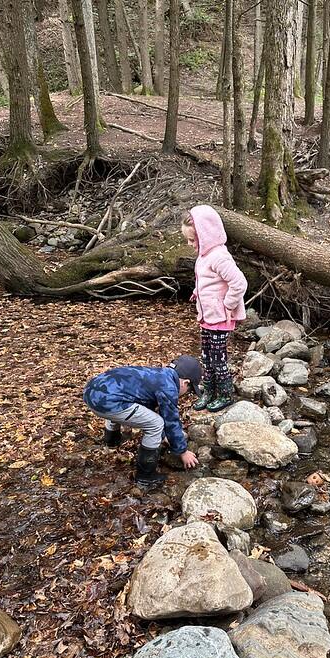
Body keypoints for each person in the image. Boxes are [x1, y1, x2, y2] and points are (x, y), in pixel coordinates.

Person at [83, 356, 201, 487]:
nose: (186, 393)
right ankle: (145, 476)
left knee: (120, 397)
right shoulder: (169, 387)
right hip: (106, 404)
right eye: (190, 390)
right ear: (185, 383)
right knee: (156, 424)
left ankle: (111, 440)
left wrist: (164, 437)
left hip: (91, 392)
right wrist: (182, 451)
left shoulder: (157, 374)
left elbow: (145, 408)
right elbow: (171, 420)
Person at [182, 205, 248, 412]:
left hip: (220, 317)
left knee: (218, 359)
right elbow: (208, 281)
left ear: (206, 234)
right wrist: (197, 291)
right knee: (206, 356)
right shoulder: (204, 256)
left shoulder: (219, 256)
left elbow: (239, 282)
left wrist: (227, 304)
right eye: (188, 240)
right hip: (207, 316)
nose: (190, 244)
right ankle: (209, 391)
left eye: (193, 240)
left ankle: (225, 394)